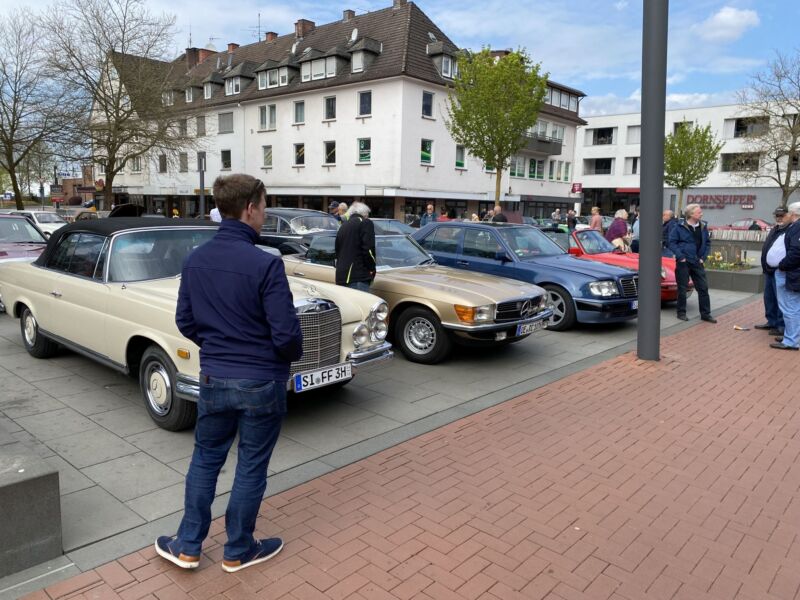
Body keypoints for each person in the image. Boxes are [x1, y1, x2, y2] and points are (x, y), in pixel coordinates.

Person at [157, 174, 303, 573]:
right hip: (261, 380)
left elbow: (185, 320)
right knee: (251, 465)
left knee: (206, 459)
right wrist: (284, 360)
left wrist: (217, 346)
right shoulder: (267, 264)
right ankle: (238, 549)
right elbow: (286, 334)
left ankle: (188, 545)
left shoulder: (195, 259)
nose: (265, 214)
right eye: (264, 206)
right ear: (250, 208)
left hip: (215, 376)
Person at [668, 203, 715, 323]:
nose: (702, 214)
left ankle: (706, 314)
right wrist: (680, 256)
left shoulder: (703, 226)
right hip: (683, 262)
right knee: (682, 288)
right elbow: (671, 242)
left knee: (703, 288)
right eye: (699, 212)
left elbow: (707, 243)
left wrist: (703, 258)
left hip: (697, 262)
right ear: (691, 214)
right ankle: (681, 313)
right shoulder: (679, 227)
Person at [755, 207, 788, 336]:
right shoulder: (775, 229)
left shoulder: (789, 230)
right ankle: (771, 321)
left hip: (780, 270)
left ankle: (781, 326)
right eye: (777, 216)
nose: (779, 218)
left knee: (780, 299)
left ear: (788, 215)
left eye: (781, 215)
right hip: (769, 270)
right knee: (769, 298)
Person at [772, 202, 800, 350]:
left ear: (793, 214)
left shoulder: (797, 228)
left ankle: (791, 341)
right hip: (793, 273)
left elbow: (796, 252)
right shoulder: (795, 227)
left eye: (787, 213)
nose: (785, 215)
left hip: (792, 274)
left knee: (790, 308)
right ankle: (792, 335)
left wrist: (782, 265)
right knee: (794, 307)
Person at [335, 201, 376, 292]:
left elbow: (337, 251)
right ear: (364, 214)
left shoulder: (343, 226)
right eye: (367, 215)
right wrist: (372, 268)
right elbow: (369, 250)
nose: (367, 217)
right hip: (358, 277)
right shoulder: (365, 223)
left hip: (341, 276)